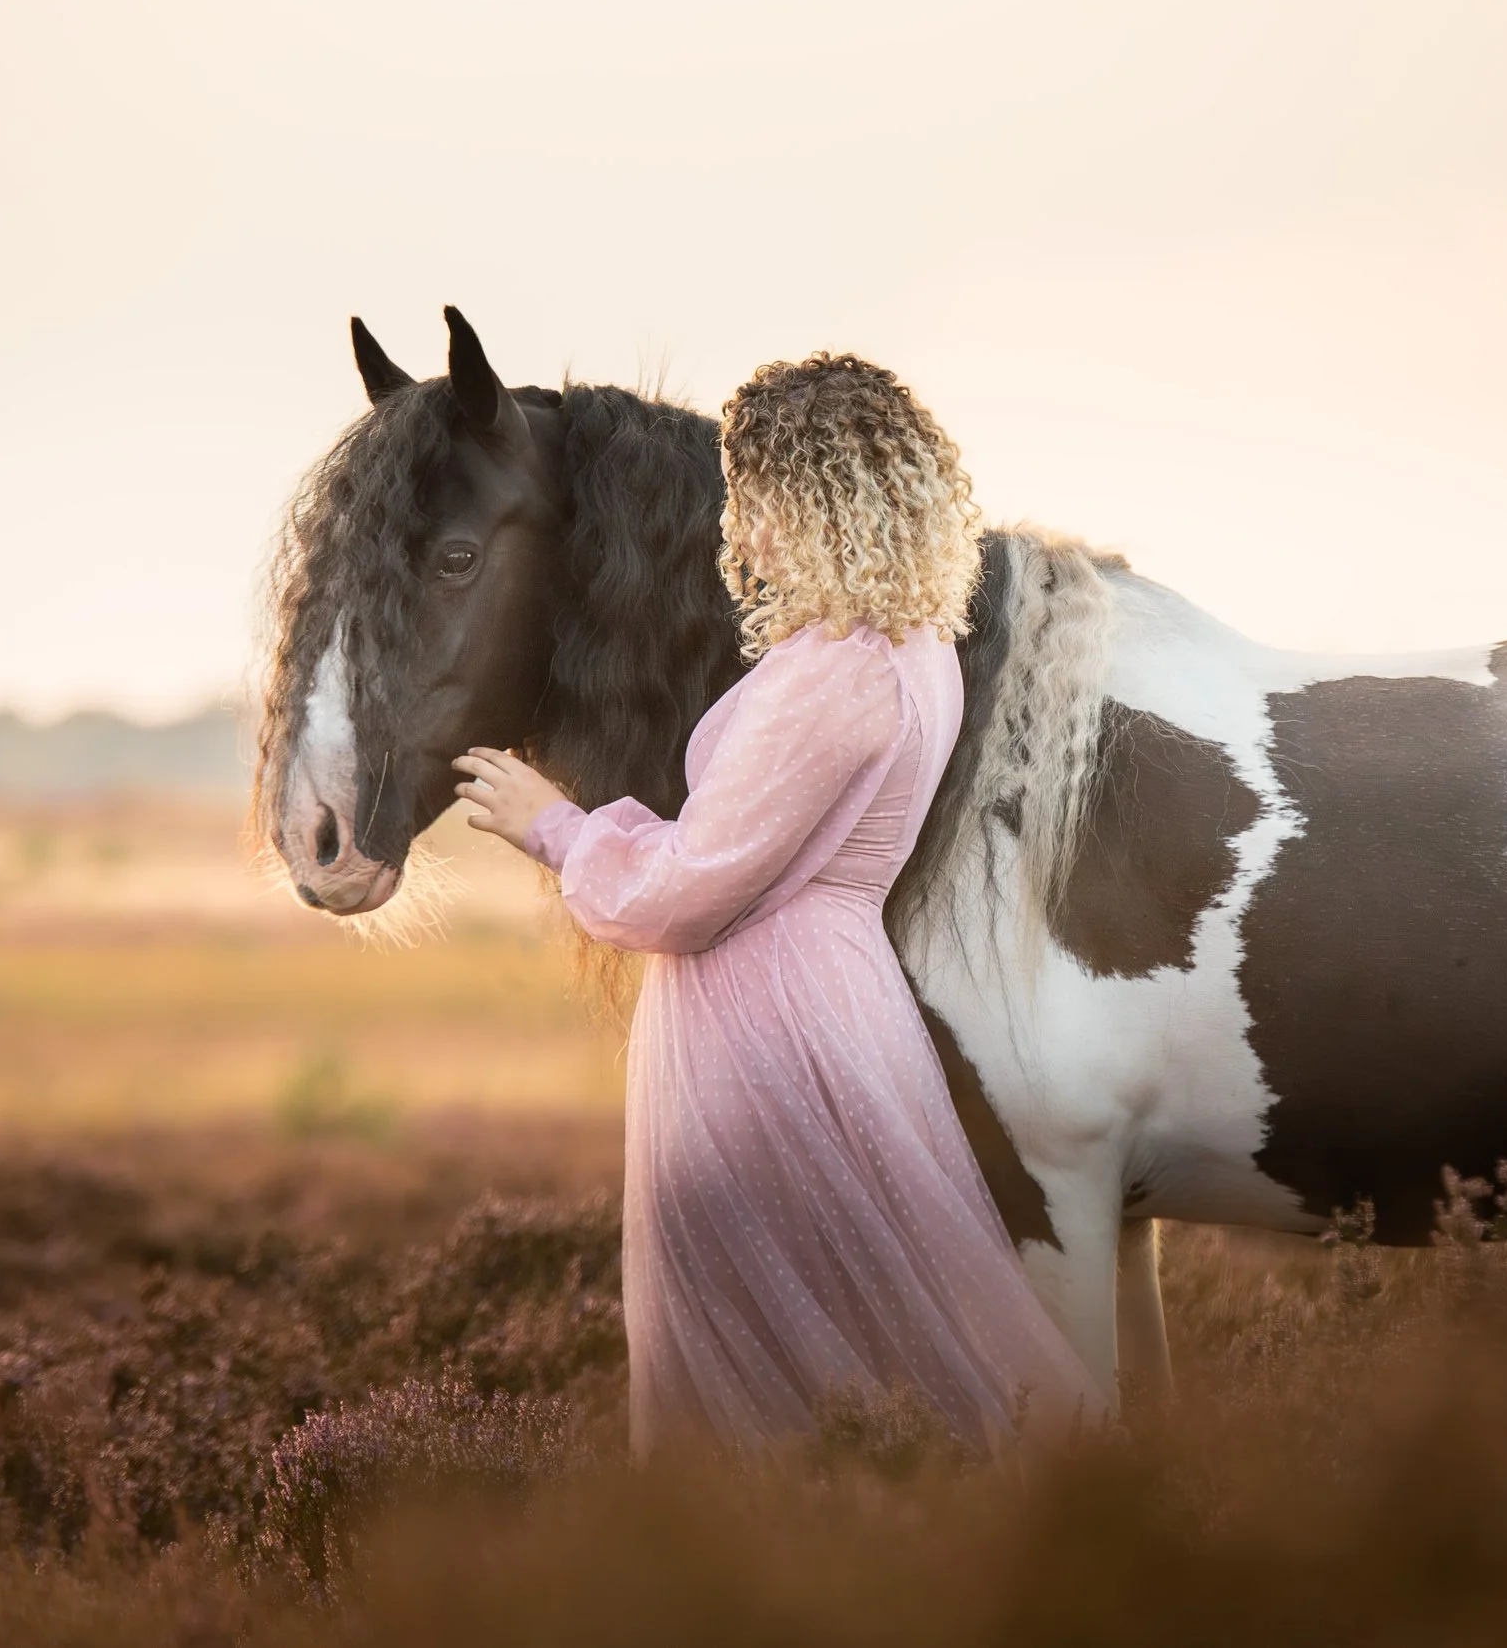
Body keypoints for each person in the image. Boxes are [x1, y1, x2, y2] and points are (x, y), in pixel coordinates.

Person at [454, 352, 1100, 1456]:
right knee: (855, 1315)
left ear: (805, 499)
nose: (737, 532)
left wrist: (550, 824)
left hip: (764, 1020)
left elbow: (692, 888)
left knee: (778, 1348)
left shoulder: (836, 670)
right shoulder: (911, 649)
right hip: (821, 995)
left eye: (750, 498)